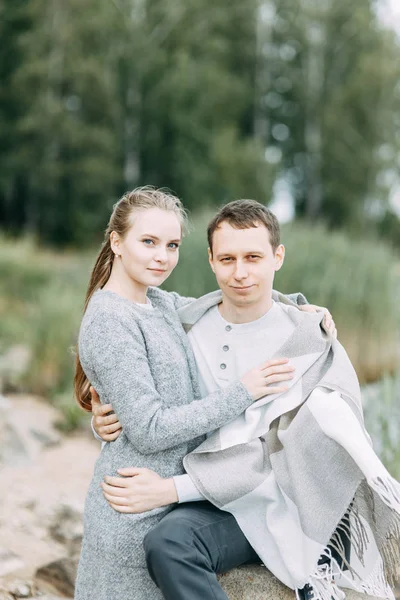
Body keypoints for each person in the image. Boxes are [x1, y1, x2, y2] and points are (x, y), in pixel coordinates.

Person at [93, 199, 400, 600]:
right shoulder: (187, 326)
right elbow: (148, 406)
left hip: (283, 501)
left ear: (278, 257)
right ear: (210, 260)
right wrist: (103, 419)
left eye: (253, 257)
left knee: (168, 541)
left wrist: (172, 490)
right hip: (213, 498)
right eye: (227, 259)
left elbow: (292, 455)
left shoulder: (305, 342)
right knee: (167, 543)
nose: (240, 273)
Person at [73, 187, 317, 600]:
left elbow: (228, 301)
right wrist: (243, 391)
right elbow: (149, 429)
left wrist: (297, 306)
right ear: (116, 241)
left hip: (172, 501)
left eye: (171, 245)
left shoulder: (159, 303)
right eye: (148, 242)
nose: (161, 257)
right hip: (134, 511)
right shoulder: (110, 321)